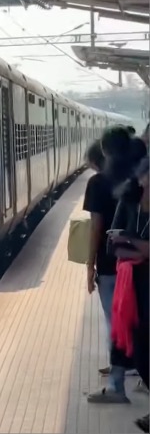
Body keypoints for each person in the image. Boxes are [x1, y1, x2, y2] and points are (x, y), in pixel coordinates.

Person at [82, 140, 129, 403]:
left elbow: (96, 227)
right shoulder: (136, 180)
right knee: (133, 321)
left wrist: (90, 265)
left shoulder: (98, 183)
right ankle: (126, 368)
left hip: (111, 264)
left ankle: (116, 385)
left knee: (116, 322)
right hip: (136, 262)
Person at [109, 157, 150, 432]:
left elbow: (126, 244)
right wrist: (137, 247)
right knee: (140, 353)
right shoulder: (128, 204)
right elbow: (113, 246)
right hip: (133, 287)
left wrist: (131, 242)